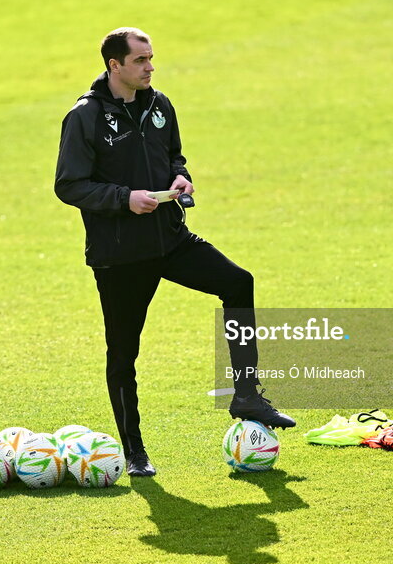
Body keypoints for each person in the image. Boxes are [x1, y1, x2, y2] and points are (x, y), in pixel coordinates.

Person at [54, 27, 295, 477]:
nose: (149, 67)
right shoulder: (85, 117)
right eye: (140, 60)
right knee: (123, 353)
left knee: (238, 282)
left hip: (170, 239)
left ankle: (246, 393)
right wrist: (125, 198)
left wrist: (179, 180)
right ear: (115, 65)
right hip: (121, 256)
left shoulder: (160, 106)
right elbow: (68, 185)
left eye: (151, 59)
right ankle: (135, 451)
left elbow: (174, 157)